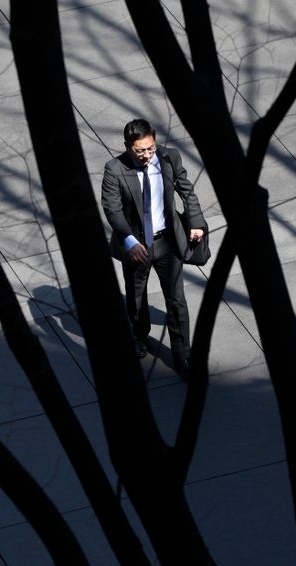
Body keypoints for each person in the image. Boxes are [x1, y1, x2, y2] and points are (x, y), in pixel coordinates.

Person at [101, 119, 206, 377]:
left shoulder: (170, 158)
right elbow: (112, 210)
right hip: (137, 245)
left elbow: (187, 192)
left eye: (149, 148)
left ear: (154, 140)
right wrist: (129, 241)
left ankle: (183, 356)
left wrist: (196, 223)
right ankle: (139, 335)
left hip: (167, 243)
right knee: (136, 299)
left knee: (176, 300)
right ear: (128, 147)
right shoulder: (114, 169)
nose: (146, 155)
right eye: (139, 151)